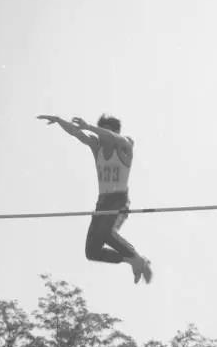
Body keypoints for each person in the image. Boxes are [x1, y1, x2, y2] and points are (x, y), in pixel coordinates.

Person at [37, 113, 153, 284]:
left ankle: (137, 258)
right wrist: (59, 120)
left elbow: (113, 137)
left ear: (114, 133)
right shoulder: (97, 147)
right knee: (91, 252)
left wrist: (89, 127)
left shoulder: (125, 146)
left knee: (106, 233)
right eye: (100, 133)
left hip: (119, 200)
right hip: (102, 202)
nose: (101, 137)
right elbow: (76, 133)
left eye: (104, 133)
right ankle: (131, 260)